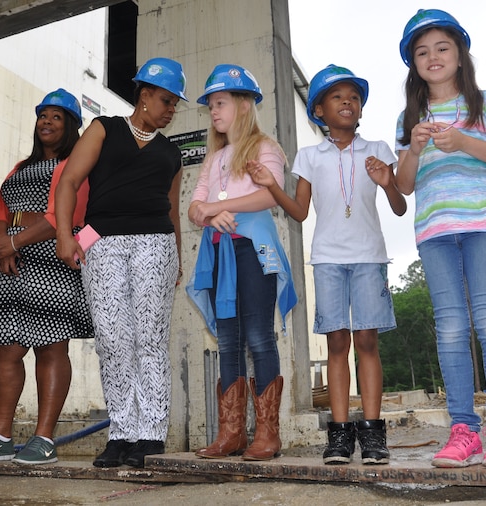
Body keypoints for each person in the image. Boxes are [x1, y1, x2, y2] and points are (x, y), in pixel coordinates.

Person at [249, 64, 407, 465]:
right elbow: (299, 212)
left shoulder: (378, 150)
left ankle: (372, 434)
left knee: (367, 342)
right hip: (328, 259)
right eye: (338, 97)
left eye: (353, 96)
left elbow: (400, 207)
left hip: (369, 256)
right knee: (337, 344)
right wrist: (271, 186)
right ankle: (339, 436)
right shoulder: (309, 156)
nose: (348, 102)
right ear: (318, 109)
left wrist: (387, 181)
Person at [395, 9, 486, 469]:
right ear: (413, 63)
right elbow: (404, 184)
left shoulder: (484, 102)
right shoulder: (409, 117)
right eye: (422, 51)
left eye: (442, 47)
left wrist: (464, 141)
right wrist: (414, 147)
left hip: (483, 225)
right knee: (450, 327)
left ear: (460, 54)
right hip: (434, 233)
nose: (433, 57)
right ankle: (463, 430)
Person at [54, 58, 186, 469]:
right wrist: (63, 234)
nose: (171, 109)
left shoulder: (172, 152)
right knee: (113, 340)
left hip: (156, 244)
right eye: (166, 100)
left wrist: (177, 257)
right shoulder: (104, 128)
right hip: (103, 242)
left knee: (150, 339)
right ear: (144, 94)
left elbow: (173, 209)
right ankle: (121, 433)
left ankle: (150, 434)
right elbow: (70, 182)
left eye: (175, 104)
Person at [0, 88, 93, 465]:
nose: (46, 122)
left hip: (54, 263)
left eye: (56, 117)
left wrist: (13, 240)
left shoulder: (77, 164)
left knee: (51, 346)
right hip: (11, 266)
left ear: (71, 126)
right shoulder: (18, 168)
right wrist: (3, 245)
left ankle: (43, 440)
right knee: (6, 349)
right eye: (42, 115)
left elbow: (64, 218)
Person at [187, 64, 297, 462]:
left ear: (245, 105)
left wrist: (218, 206)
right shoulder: (213, 157)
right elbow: (193, 207)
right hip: (218, 252)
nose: (213, 111)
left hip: (253, 250)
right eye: (211, 105)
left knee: (259, 336)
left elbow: (270, 196)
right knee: (229, 340)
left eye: (220, 103)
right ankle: (230, 434)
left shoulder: (265, 147)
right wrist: (210, 214)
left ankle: (267, 434)